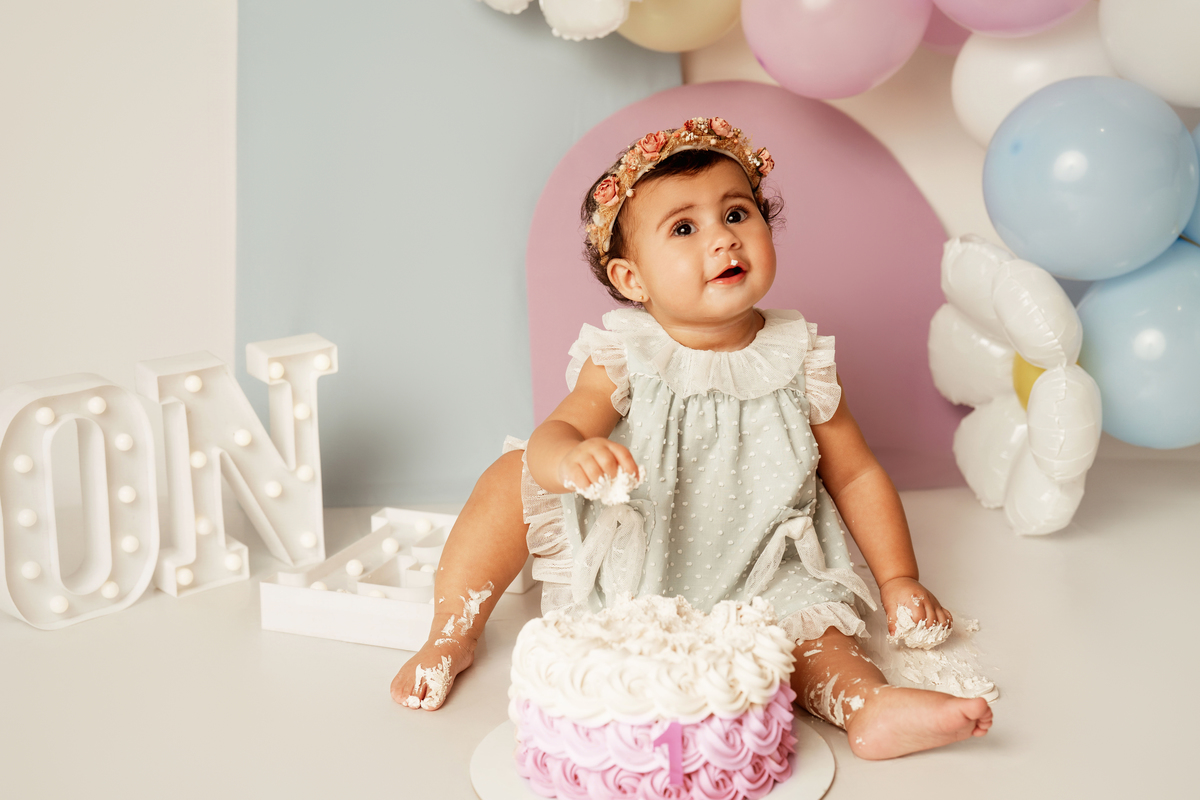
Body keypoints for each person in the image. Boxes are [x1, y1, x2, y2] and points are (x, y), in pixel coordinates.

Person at [390, 117, 993, 759]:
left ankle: (867, 706)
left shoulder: (799, 357)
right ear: (631, 280)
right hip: (638, 546)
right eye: (684, 228)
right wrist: (570, 455)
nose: (722, 240)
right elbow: (557, 433)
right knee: (511, 477)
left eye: (737, 214)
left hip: (764, 563)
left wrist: (898, 578)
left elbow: (855, 475)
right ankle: (452, 630)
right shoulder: (626, 353)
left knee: (817, 639)